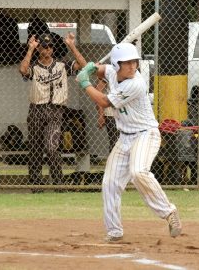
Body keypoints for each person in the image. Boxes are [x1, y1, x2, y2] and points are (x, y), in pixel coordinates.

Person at [76, 42, 182, 242]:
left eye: (134, 62)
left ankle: (169, 213)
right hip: (125, 137)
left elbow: (104, 102)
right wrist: (90, 67)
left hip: (146, 134)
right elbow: (101, 70)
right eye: (127, 63)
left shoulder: (136, 83)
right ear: (117, 65)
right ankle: (114, 231)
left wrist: (85, 83)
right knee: (109, 183)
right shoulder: (112, 72)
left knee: (138, 171)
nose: (133, 66)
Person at [19, 33, 86, 190]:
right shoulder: (35, 67)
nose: (46, 50)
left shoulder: (62, 65)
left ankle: (58, 183)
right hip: (37, 109)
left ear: (53, 49)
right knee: (35, 148)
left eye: (49, 47)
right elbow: (23, 70)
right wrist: (30, 49)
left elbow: (83, 64)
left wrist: (71, 45)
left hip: (56, 111)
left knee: (51, 146)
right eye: (43, 46)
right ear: (39, 48)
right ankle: (35, 183)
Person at [96, 78, 119, 152]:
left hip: (125, 113)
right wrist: (101, 114)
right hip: (111, 113)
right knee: (115, 143)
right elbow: (98, 90)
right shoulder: (110, 70)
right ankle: (114, 161)